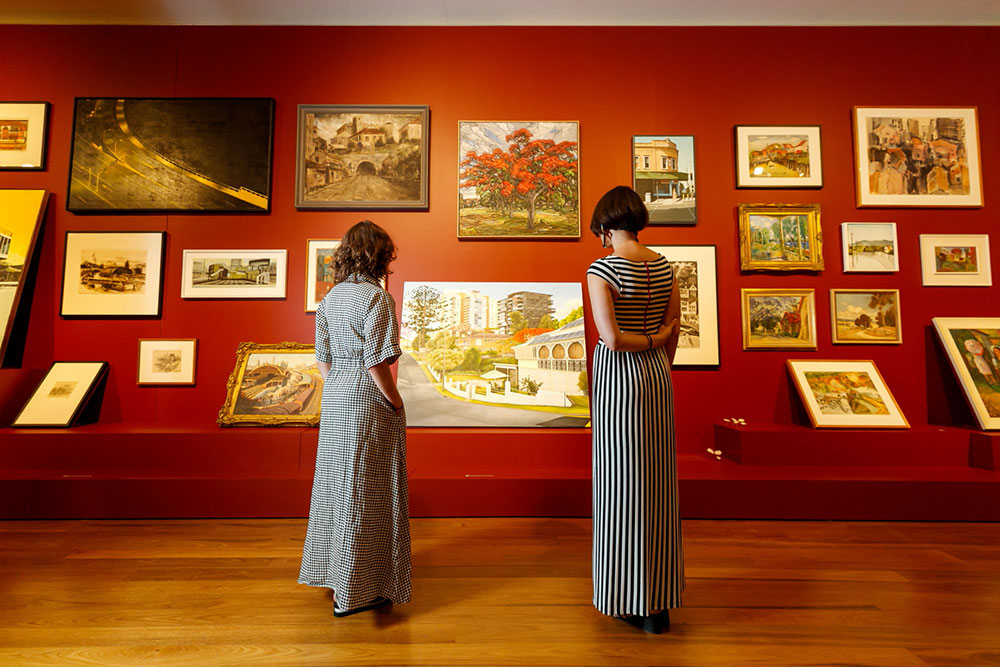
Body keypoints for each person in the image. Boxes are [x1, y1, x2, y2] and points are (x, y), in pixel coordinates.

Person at [298, 220, 411, 618]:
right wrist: (395, 402)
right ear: (379, 255)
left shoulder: (330, 299)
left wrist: (338, 391)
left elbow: (323, 361)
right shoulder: (377, 299)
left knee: (336, 486)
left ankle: (336, 576)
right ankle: (356, 591)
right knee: (366, 489)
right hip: (367, 397)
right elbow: (377, 362)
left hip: (337, 397)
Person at [585, 185, 683, 635]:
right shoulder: (665, 267)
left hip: (619, 376)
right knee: (657, 484)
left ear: (605, 227)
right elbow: (673, 330)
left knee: (619, 486)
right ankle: (658, 604)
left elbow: (610, 338)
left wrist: (646, 342)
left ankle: (627, 598)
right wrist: (659, 350)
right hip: (657, 375)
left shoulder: (602, 269)